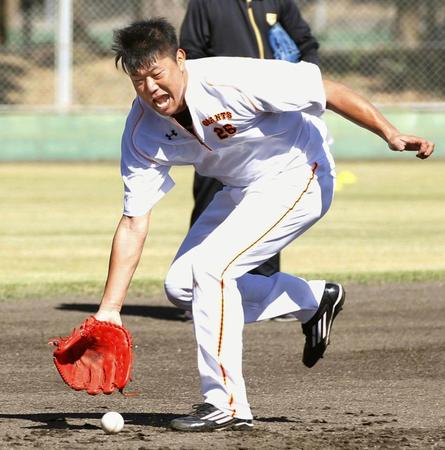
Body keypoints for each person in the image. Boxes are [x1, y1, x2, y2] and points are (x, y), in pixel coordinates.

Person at [93, 18, 434, 432]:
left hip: (300, 175)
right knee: (181, 285)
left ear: (180, 59)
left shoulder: (232, 79)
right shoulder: (143, 130)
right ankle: (313, 299)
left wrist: (390, 133)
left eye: (156, 73)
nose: (150, 88)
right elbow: (133, 222)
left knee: (211, 270)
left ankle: (227, 404)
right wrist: (109, 310)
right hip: (241, 189)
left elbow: (325, 91)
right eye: (138, 79)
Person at [180, 0, 320, 281]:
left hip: (269, 118)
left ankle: (264, 284)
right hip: (221, 115)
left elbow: (305, 42)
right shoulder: (206, 3)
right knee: (210, 196)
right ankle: (198, 285)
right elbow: (190, 54)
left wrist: (303, 84)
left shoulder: (276, 1)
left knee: (270, 197)